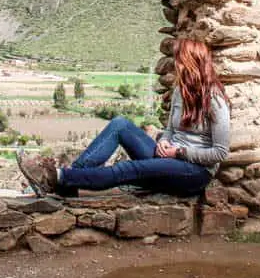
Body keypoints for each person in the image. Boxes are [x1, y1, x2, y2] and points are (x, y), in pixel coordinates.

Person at [17, 39, 230, 197]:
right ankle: (70, 181)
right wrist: (165, 140)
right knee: (120, 124)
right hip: (167, 158)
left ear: (193, 64)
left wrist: (180, 152)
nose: (176, 65)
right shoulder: (180, 91)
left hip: (193, 172)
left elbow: (220, 152)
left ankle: (58, 177)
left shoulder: (214, 99)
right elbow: (171, 130)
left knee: (129, 168)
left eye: (180, 61)